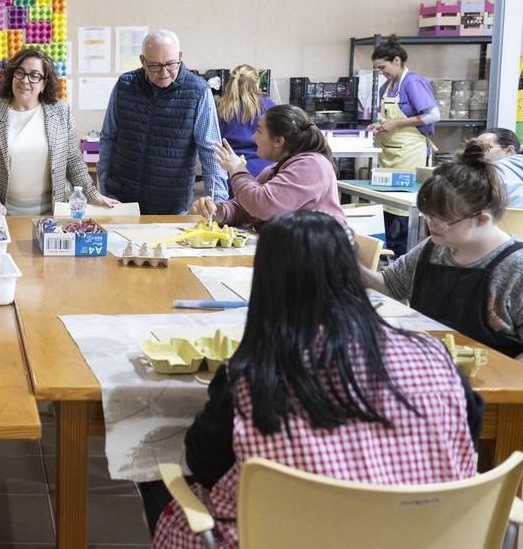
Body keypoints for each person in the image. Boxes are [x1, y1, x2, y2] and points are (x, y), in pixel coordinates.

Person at [152, 211, 481, 548]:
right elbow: (468, 432)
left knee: (167, 492)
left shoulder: (256, 375)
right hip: (421, 537)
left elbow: (204, 463)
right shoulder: (432, 357)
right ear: (354, 272)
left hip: (289, 539)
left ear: (267, 281)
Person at [364, 140, 523, 358]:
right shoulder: (434, 248)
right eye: (428, 215)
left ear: (481, 220)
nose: (431, 224)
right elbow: (391, 286)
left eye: (443, 219)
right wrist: (345, 262)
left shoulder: (516, 267)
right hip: (432, 366)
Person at [0, 48, 119, 215]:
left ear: (44, 84)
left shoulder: (62, 112)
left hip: (52, 213)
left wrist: (92, 195)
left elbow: (73, 161)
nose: (25, 80)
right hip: (4, 214)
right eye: (20, 72)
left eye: (34, 75)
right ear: (12, 76)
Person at [98, 30, 228, 215]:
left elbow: (211, 152)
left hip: (171, 207)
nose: (164, 72)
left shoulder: (198, 92)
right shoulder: (125, 86)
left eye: (170, 64)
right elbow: (108, 137)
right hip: (121, 202)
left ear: (180, 57)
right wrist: (104, 185)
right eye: (155, 66)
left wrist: (218, 202)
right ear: (143, 61)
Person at [190, 104, 345, 229]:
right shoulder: (273, 170)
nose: (253, 137)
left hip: (319, 253)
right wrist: (218, 211)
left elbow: (262, 205)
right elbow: (245, 208)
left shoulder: (312, 165)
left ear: (278, 141)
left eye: (259, 131)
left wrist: (238, 170)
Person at [370, 36, 440, 257]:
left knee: (401, 209)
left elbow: (433, 115)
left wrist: (397, 123)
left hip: (409, 154)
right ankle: (389, 255)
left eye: (383, 67)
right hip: (389, 153)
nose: (381, 72)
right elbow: (390, 118)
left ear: (397, 61)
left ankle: (403, 257)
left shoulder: (413, 83)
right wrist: (381, 125)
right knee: (385, 207)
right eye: (378, 69)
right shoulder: (387, 87)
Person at [214, 64, 276, 180]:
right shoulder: (268, 105)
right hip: (265, 170)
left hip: (232, 170)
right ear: (256, 84)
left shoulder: (221, 108)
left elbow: (216, 141)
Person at [477, 127, 523, 209]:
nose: (477, 153)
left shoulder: (496, 171)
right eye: (475, 148)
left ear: (509, 151)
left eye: (485, 148)